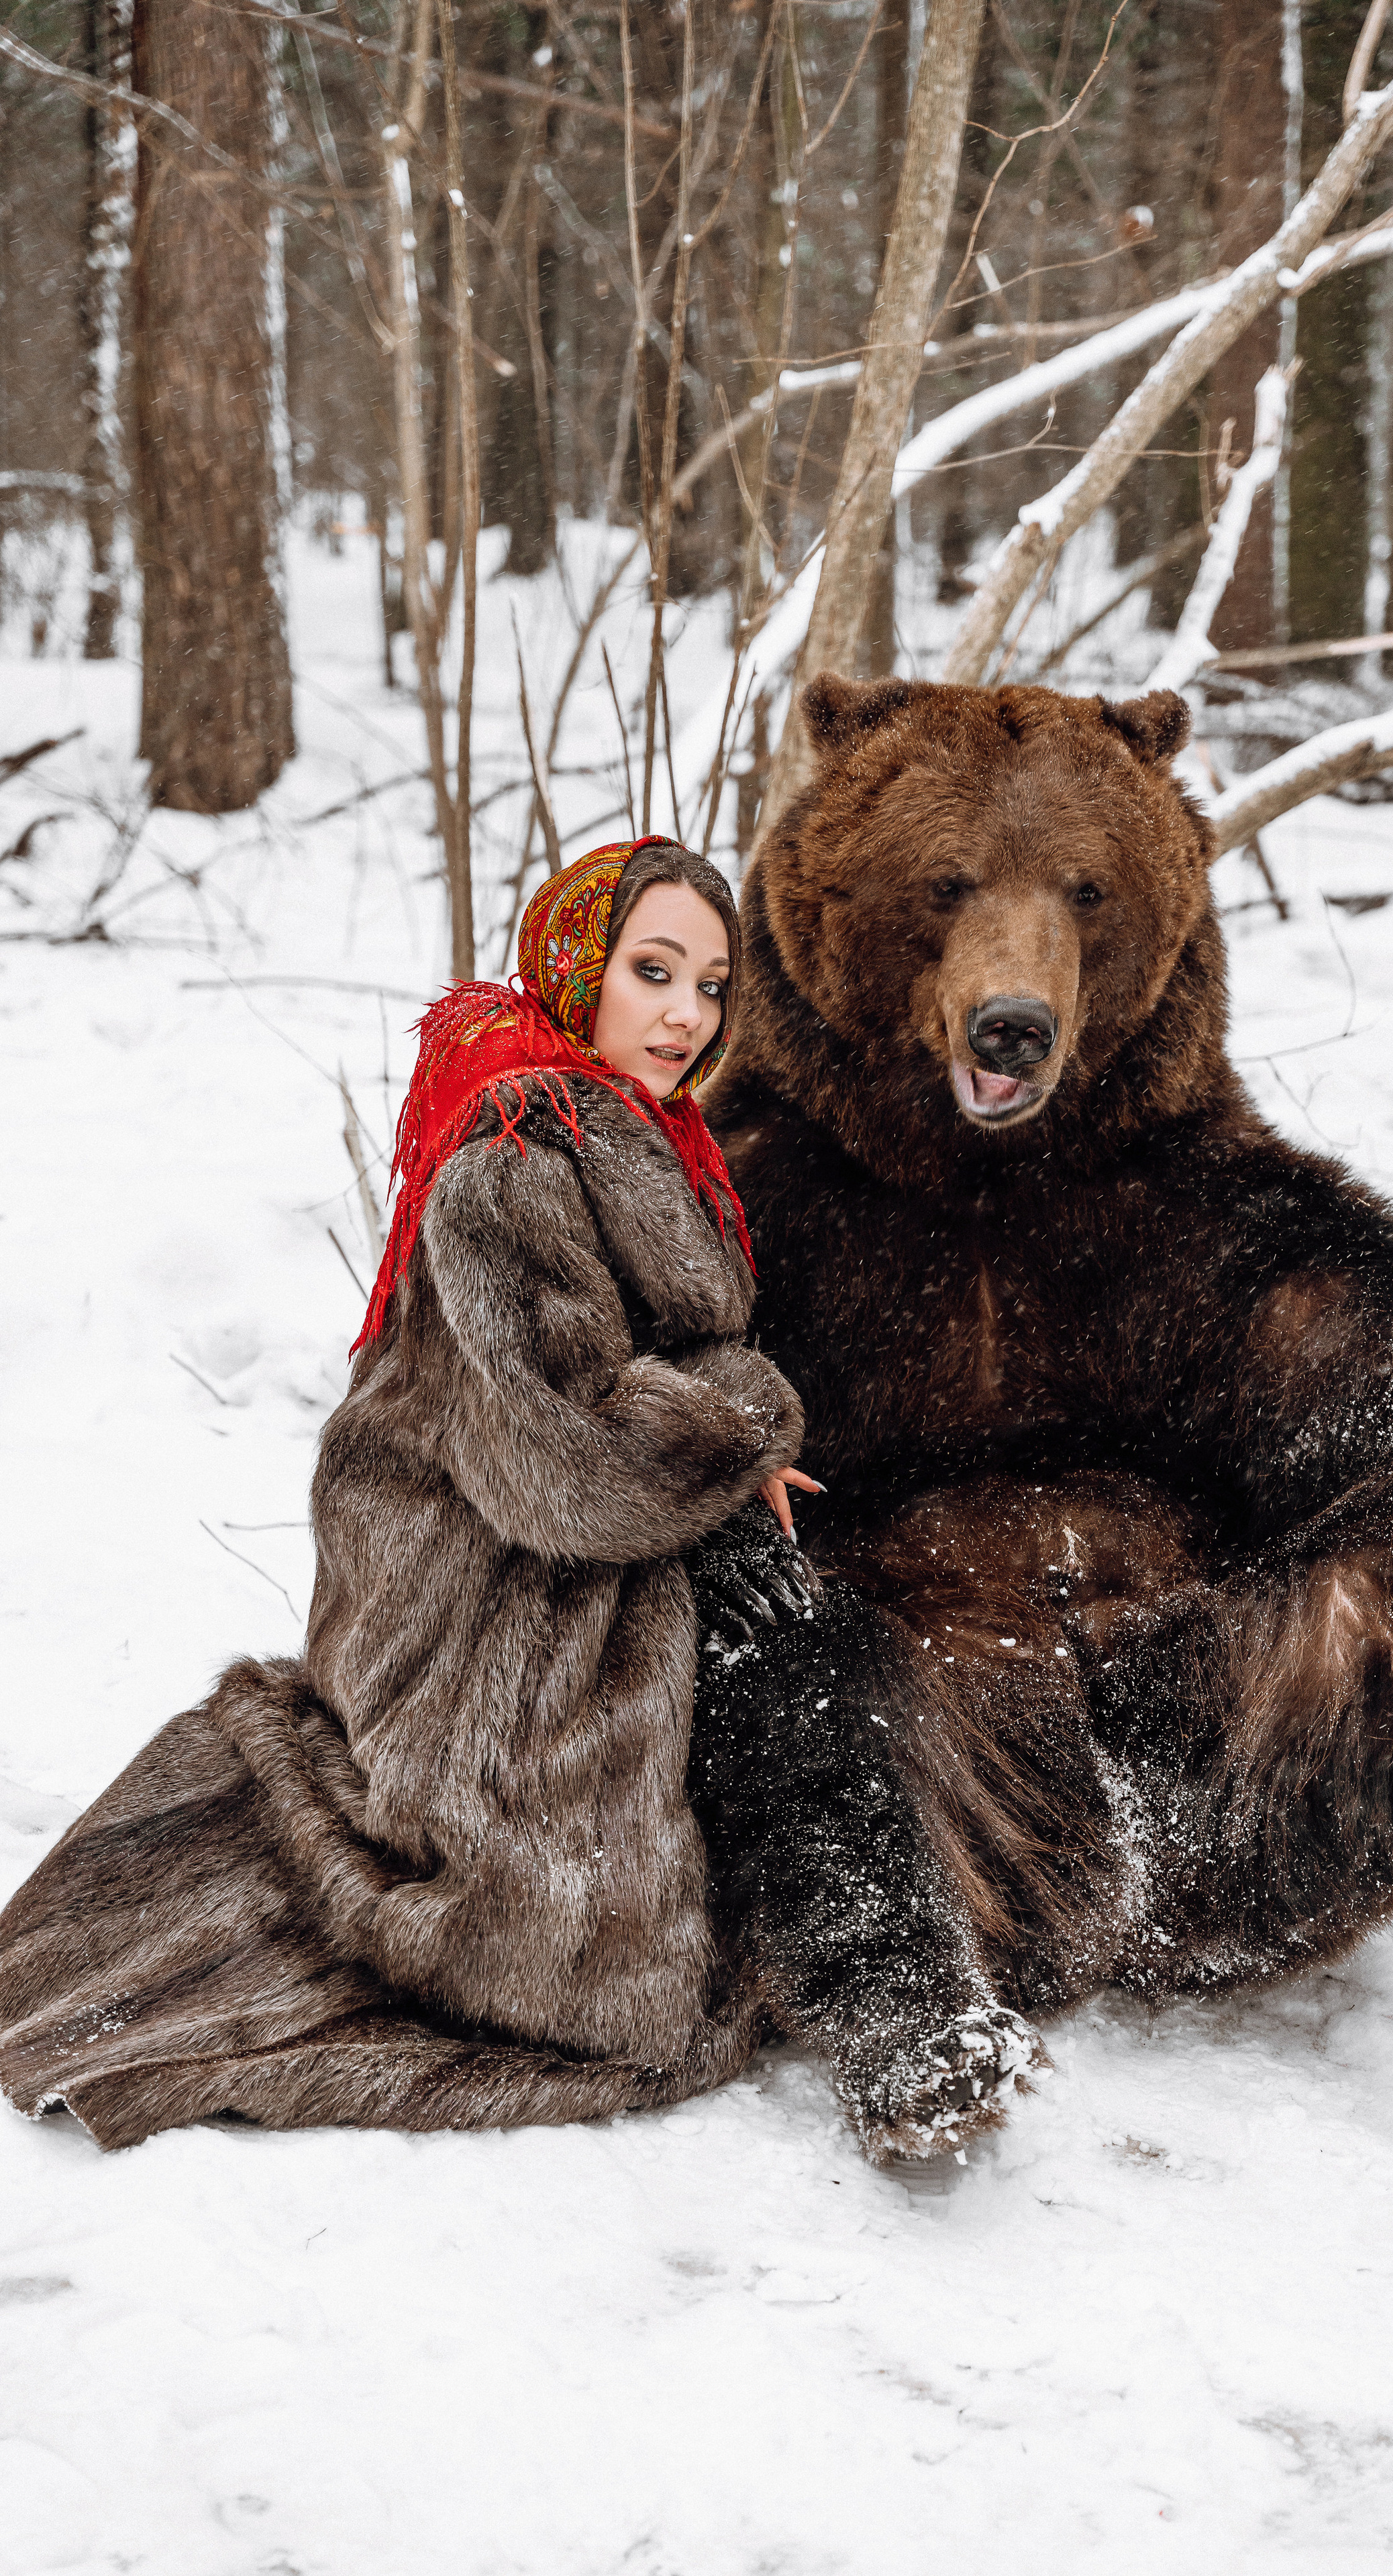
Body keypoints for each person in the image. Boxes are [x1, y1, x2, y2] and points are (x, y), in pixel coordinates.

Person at [0, 835, 815, 2149]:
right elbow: (568, 1457)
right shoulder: (518, 1153)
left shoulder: (622, 1127)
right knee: (614, 1976)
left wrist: (725, 1438)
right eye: (651, 971)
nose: (684, 1015)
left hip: (521, 1554)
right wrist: (741, 1431)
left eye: (711, 985)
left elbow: (632, 1371)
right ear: (576, 969)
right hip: (468, 1613)